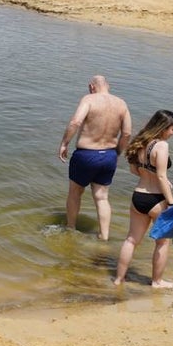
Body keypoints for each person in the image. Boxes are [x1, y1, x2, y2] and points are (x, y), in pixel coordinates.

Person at [57, 75, 132, 240]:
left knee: (75, 192)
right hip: (109, 155)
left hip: (86, 154)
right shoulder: (121, 104)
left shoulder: (89, 99)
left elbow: (75, 122)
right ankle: (104, 235)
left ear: (91, 86)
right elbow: (127, 133)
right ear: (108, 86)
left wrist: (64, 143)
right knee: (102, 197)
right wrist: (117, 152)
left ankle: (70, 227)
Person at [113, 110, 173, 288]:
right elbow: (161, 177)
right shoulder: (162, 146)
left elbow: (134, 170)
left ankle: (119, 279)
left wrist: (150, 175)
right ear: (163, 128)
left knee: (131, 240)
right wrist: (172, 203)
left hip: (138, 196)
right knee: (162, 242)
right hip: (157, 199)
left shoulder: (140, 142)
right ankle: (157, 282)